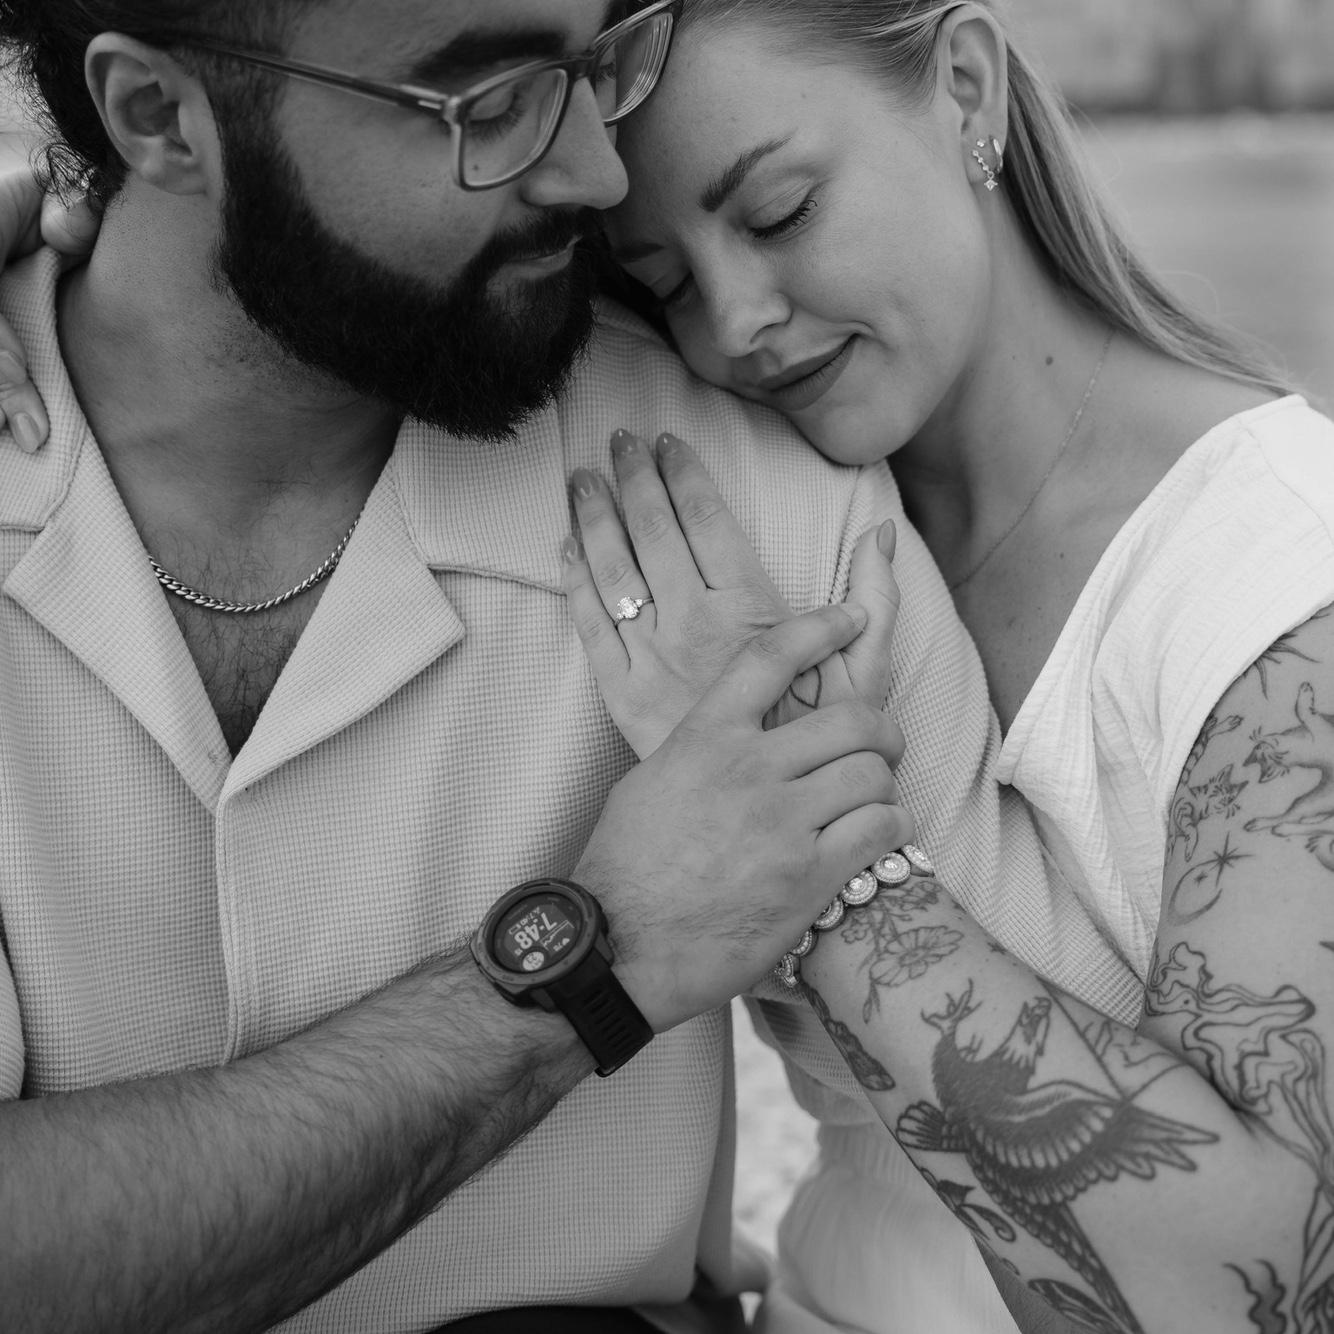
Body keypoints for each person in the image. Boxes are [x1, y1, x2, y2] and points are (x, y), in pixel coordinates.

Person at [0, 1, 1066, 1330]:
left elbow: (988, 1192)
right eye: (490, 105)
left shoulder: (742, 511)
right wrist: (587, 962)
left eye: (596, 65)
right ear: (160, 117)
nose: (600, 173)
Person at [553, 1, 1334, 1331]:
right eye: (666, 283)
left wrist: (812, 851)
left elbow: (1256, 1286)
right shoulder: (764, 534)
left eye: (782, 212)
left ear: (965, 89)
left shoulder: (1275, 574)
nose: (734, 321)